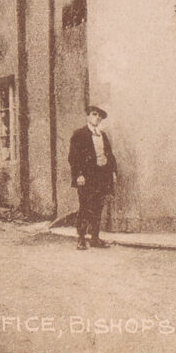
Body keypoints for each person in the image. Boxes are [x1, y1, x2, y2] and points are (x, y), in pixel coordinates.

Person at [68, 105, 117, 250]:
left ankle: (95, 238)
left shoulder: (102, 135)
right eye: (94, 114)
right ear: (88, 116)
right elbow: (73, 157)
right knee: (85, 206)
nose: (97, 118)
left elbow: (110, 155)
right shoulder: (79, 134)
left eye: (100, 116)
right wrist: (79, 174)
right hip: (87, 177)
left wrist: (113, 172)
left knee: (98, 207)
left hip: (102, 176)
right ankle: (81, 238)